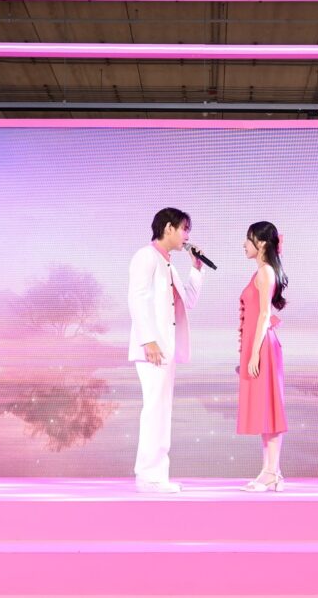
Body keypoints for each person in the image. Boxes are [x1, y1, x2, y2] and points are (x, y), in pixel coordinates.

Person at [128, 207, 205, 493]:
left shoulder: (168, 264)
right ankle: (148, 476)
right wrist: (148, 340)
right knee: (154, 410)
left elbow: (189, 301)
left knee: (162, 410)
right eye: (185, 229)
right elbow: (136, 298)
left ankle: (156, 475)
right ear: (169, 228)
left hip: (165, 349)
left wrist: (196, 268)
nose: (187, 236)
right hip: (153, 349)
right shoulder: (146, 256)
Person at [236, 221, 289, 492]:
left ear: (262, 243)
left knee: (270, 408)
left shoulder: (265, 271)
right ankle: (271, 471)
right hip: (257, 346)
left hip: (263, 347)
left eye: (249, 239)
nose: (244, 244)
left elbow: (265, 315)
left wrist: (255, 354)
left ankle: (271, 472)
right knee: (264, 410)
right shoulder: (261, 271)